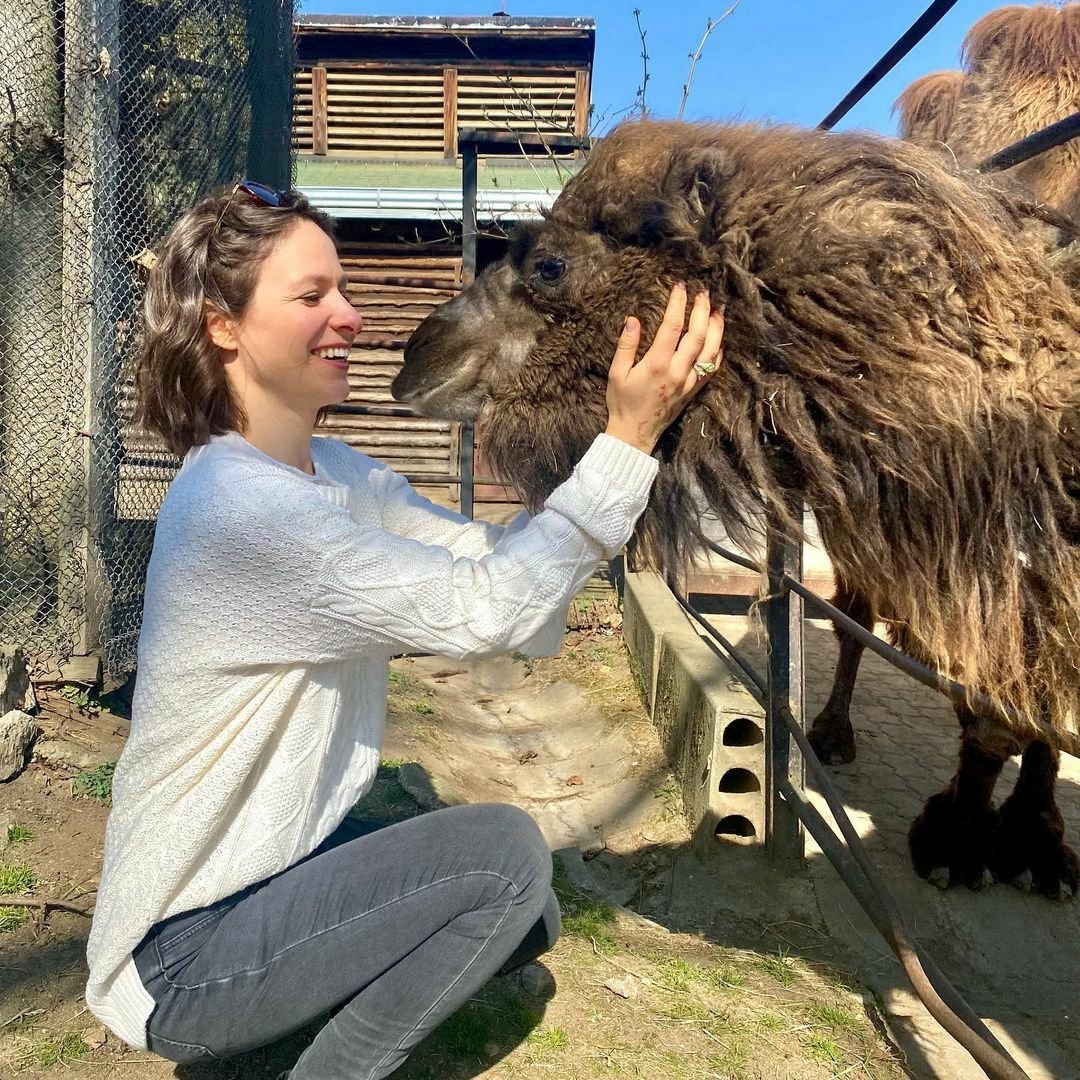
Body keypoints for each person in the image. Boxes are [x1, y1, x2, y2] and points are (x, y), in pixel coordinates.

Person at [84, 179, 724, 1079]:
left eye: (342, 289)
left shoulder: (332, 471)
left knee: (524, 914)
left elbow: (492, 564)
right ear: (222, 326)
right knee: (502, 860)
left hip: (271, 878)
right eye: (311, 297)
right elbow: (495, 609)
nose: (349, 315)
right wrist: (625, 442)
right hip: (184, 957)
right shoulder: (244, 512)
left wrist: (623, 449)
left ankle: (298, 1004)